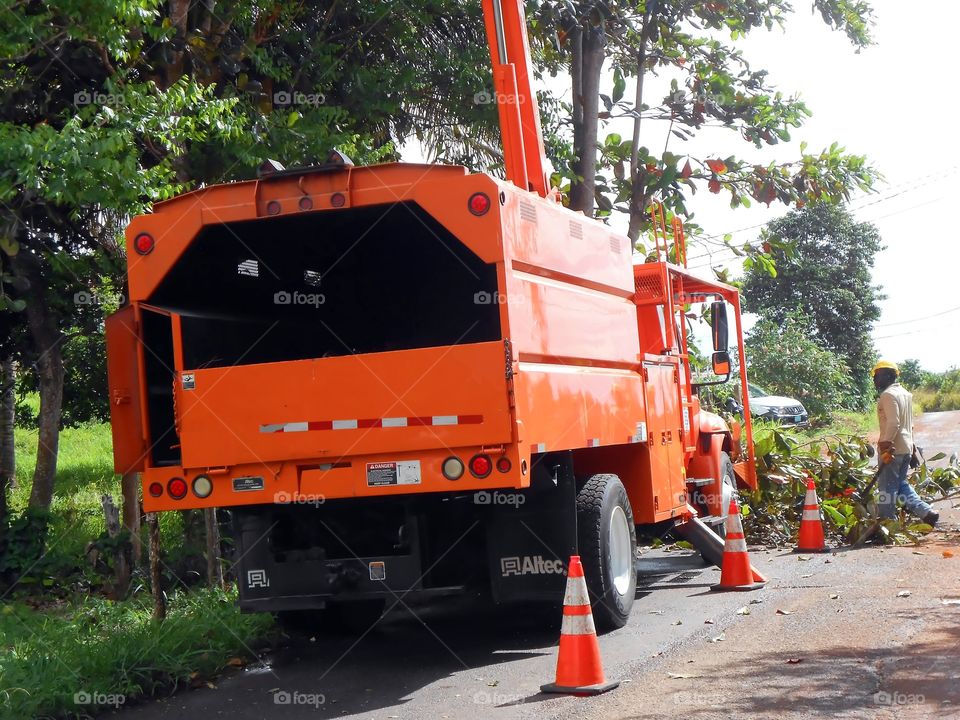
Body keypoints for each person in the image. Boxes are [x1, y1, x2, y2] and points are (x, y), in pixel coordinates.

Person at [872, 360, 939, 526]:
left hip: (893, 448)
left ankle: (887, 524)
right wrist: (913, 449)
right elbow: (908, 425)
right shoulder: (905, 394)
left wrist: (885, 445)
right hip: (906, 447)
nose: (874, 380)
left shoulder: (888, 395)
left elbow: (894, 423)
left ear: (888, 375)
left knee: (886, 490)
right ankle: (926, 512)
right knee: (900, 484)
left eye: (877, 375)